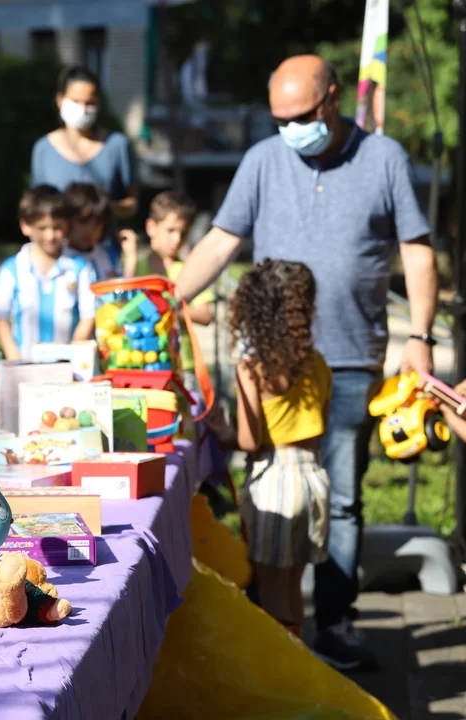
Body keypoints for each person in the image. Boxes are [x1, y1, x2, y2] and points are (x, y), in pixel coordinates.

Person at [175, 55, 437, 671]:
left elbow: (417, 250)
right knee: (272, 490)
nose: (291, 129)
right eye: (280, 119)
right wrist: (166, 300)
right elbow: (221, 240)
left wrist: (421, 335)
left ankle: (335, 623)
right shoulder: (263, 160)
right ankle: (277, 624)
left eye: (302, 116)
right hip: (273, 364)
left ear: (332, 100)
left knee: (339, 498)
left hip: (350, 358)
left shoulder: (385, 159)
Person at [231, 259, 331, 637]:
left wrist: (223, 429)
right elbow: (321, 425)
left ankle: (283, 668)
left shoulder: (252, 369)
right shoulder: (318, 364)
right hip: (314, 477)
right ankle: (302, 658)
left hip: (274, 481)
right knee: (293, 591)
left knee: (271, 598)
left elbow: (248, 440)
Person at [0, 185, 97, 359]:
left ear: (67, 225)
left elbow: (88, 316)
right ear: (26, 226)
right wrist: (14, 356)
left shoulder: (80, 268)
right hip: (23, 363)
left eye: (57, 227)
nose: (50, 236)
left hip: (67, 365)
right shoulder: (12, 269)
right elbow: (0, 317)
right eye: (42, 228)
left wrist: (72, 355)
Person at [30, 66, 137, 219]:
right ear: (60, 99)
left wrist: (100, 210)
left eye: (89, 102)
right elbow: (37, 203)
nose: (82, 108)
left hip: (103, 234)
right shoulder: (43, 148)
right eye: (75, 101)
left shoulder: (117, 144)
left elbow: (131, 202)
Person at [137, 190, 213, 394]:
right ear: (151, 227)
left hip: (182, 365)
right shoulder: (138, 268)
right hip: (143, 362)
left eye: (183, 232)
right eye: (170, 230)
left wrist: (170, 311)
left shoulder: (189, 269)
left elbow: (206, 315)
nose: (177, 238)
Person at [63, 182, 137, 280]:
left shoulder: (107, 256)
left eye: (96, 224)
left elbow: (121, 288)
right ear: (67, 220)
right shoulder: (59, 258)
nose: (89, 230)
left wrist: (130, 257)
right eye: (83, 222)